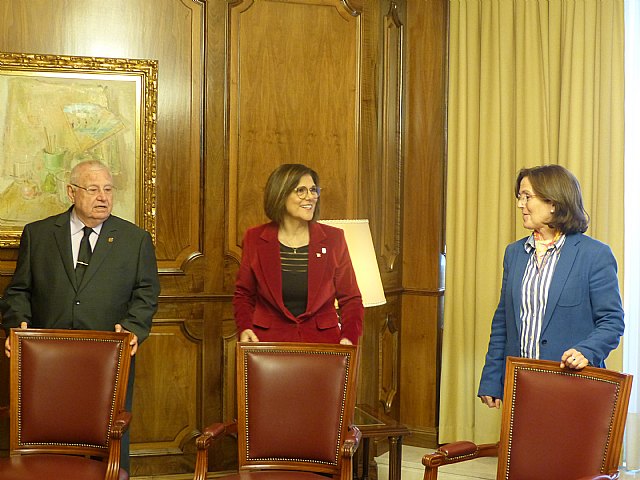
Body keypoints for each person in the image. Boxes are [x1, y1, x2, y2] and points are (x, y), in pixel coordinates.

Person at [1, 159, 160, 473]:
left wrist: (132, 329)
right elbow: (19, 290)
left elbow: (147, 292)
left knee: (110, 433)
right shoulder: (39, 234)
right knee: (49, 433)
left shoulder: (134, 239)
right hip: (47, 356)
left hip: (109, 354)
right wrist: (15, 326)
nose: (103, 197)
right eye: (93, 189)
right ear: (71, 192)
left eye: (108, 189)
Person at [478, 164, 624, 408]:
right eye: (519, 197)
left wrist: (585, 351)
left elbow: (612, 321)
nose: (520, 204)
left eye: (527, 197)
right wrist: (492, 379)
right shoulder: (514, 253)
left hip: (573, 386)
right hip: (521, 385)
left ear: (554, 203)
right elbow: (503, 320)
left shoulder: (594, 255)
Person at [233, 163, 363, 345]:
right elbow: (244, 294)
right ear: (280, 194)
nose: (310, 197)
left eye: (313, 190)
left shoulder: (334, 238)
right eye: (301, 190)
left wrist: (348, 337)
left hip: (323, 344)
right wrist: (245, 327)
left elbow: (351, 299)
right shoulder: (254, 238)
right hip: (267, 344)